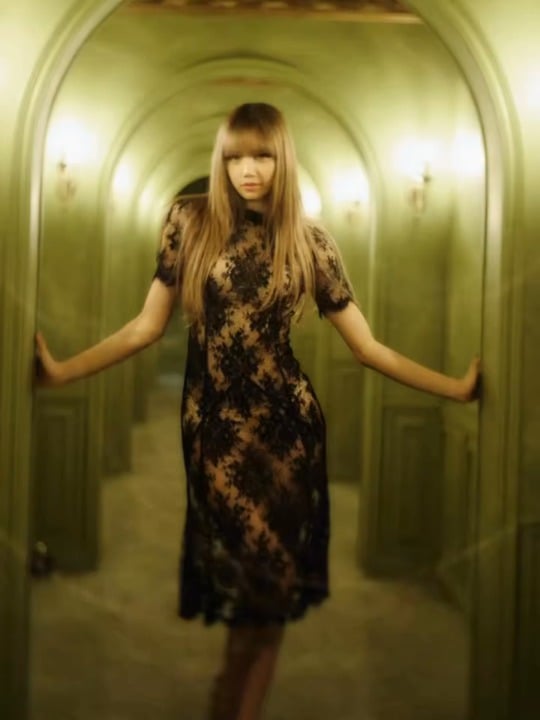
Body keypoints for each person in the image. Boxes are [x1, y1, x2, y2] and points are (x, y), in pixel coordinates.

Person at [35, 102, 481, 720]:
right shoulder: (189, 221)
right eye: (235, 156)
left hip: (288, 432)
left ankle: (233, 704)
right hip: (215, 432)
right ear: (220, 161)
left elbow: (368, 347)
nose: (248, 169)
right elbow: (144, 328)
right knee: (254, 587)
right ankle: (230, 695)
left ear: (282, 159)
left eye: (262, 155)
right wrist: (61, 372)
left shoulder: (310, 241)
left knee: (267, 598)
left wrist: (455, 389)